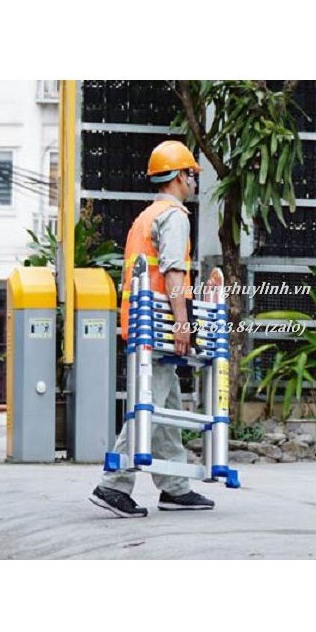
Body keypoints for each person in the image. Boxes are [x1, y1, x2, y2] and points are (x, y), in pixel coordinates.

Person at [89, 140, 215, 518]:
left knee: (166, 407)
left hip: (143, 323)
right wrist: (182, 323)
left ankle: (174, 488)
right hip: (158, 324)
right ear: (179, 176)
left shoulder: (146, 217)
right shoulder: (174, 216)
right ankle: (113, 485)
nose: (194, 181)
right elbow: (174, 272)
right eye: (192, 174)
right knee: (148, 407)